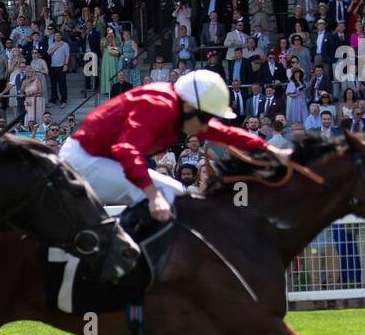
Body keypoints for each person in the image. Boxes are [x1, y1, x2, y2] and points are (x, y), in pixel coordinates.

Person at [61, 69, 287, 223]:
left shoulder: (182, 110)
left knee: (178, 194)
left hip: (99, 158)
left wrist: (271, 150)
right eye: (206, 117)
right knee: (163, 194)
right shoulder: (159, 106)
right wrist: (153, 196)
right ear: (190, 107)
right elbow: (126, 149)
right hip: (83, 160)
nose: (206, 126)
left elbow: (225, 133)